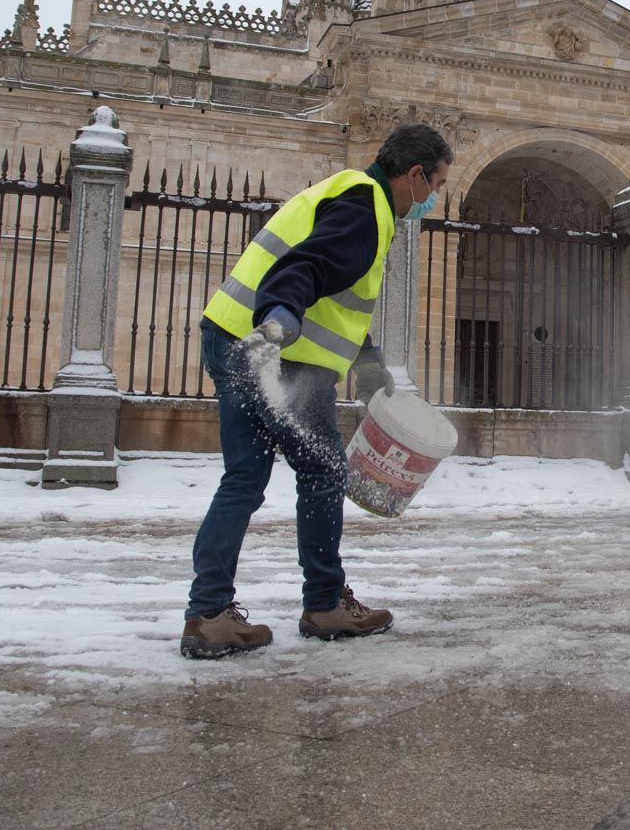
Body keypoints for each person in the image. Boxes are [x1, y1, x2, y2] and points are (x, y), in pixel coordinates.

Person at [180, 122, 453, 660]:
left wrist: (368, 363)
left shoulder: (348, 192)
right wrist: (277, 320)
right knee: (325, 470)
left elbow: (332, 294)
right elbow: (303, 270)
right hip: (277, 351)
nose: (434, 199)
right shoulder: (367, 206)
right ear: (415, 175)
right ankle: (325, 603)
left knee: (243, 477)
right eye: (436, 185)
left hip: (230, 334)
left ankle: (209, 613)